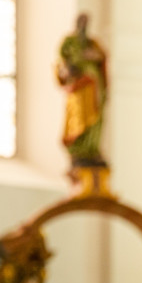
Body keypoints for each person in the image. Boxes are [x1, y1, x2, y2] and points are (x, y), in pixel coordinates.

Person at [57, 13, 109, 168]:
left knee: (95, 120)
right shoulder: (69, 43)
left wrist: (94, 56)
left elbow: (103, 57)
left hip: (94, 88)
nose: (84, 26)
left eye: (87, 23)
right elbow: (61, 65)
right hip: (79, 88)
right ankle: (79, 151)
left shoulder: (93, 43)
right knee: (78, 119)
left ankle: (92, 149)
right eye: (82, 22)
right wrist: (67, 70)